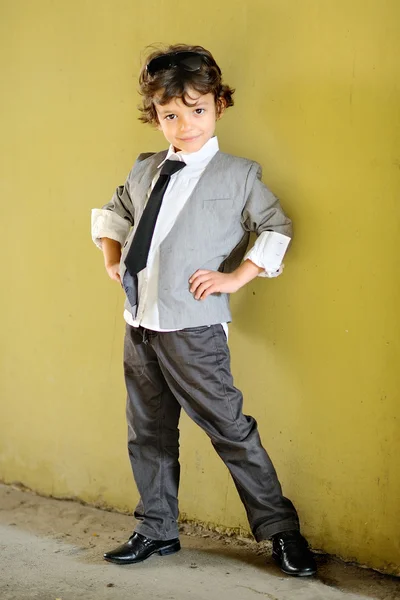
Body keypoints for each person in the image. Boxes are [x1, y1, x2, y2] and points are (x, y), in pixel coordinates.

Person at [91, 44, 316, 577]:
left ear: (218, 106)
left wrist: (235, 276)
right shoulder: (146, 170)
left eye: (197, 110)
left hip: (193, 328)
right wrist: (112, 256)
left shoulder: (237, 175)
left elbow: (276, 227)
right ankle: (155, 528)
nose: (185, 124)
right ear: (156, 118)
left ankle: (281, 531)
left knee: (230, 430)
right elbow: (117, 211)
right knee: (147, 431)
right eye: (171, 115)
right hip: (139, 323)